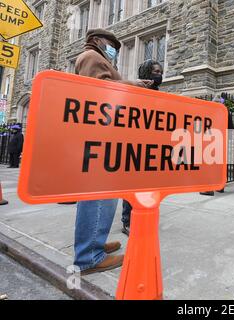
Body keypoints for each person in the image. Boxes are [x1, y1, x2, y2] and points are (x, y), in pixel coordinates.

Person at [73, 28, 154, 275]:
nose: (115, 50)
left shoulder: (98, 58)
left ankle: (94, 242)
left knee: (104, 196)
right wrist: (134, 83)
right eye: (112, 44)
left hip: (105, 135)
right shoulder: (91, 57)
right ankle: (88, 256)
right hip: (100, 136)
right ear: (98, 41)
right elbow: (98, 91)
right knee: (98, 196)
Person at [121, 59, 164, 236]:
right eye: (155, 72)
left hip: (153, 146)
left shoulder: (158, 93)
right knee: (132, 185)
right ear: (146, 74)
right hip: (135, 145)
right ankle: (127, 221)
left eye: (160, 71)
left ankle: (144, 216)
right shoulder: (135, 91)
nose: (159, 75)